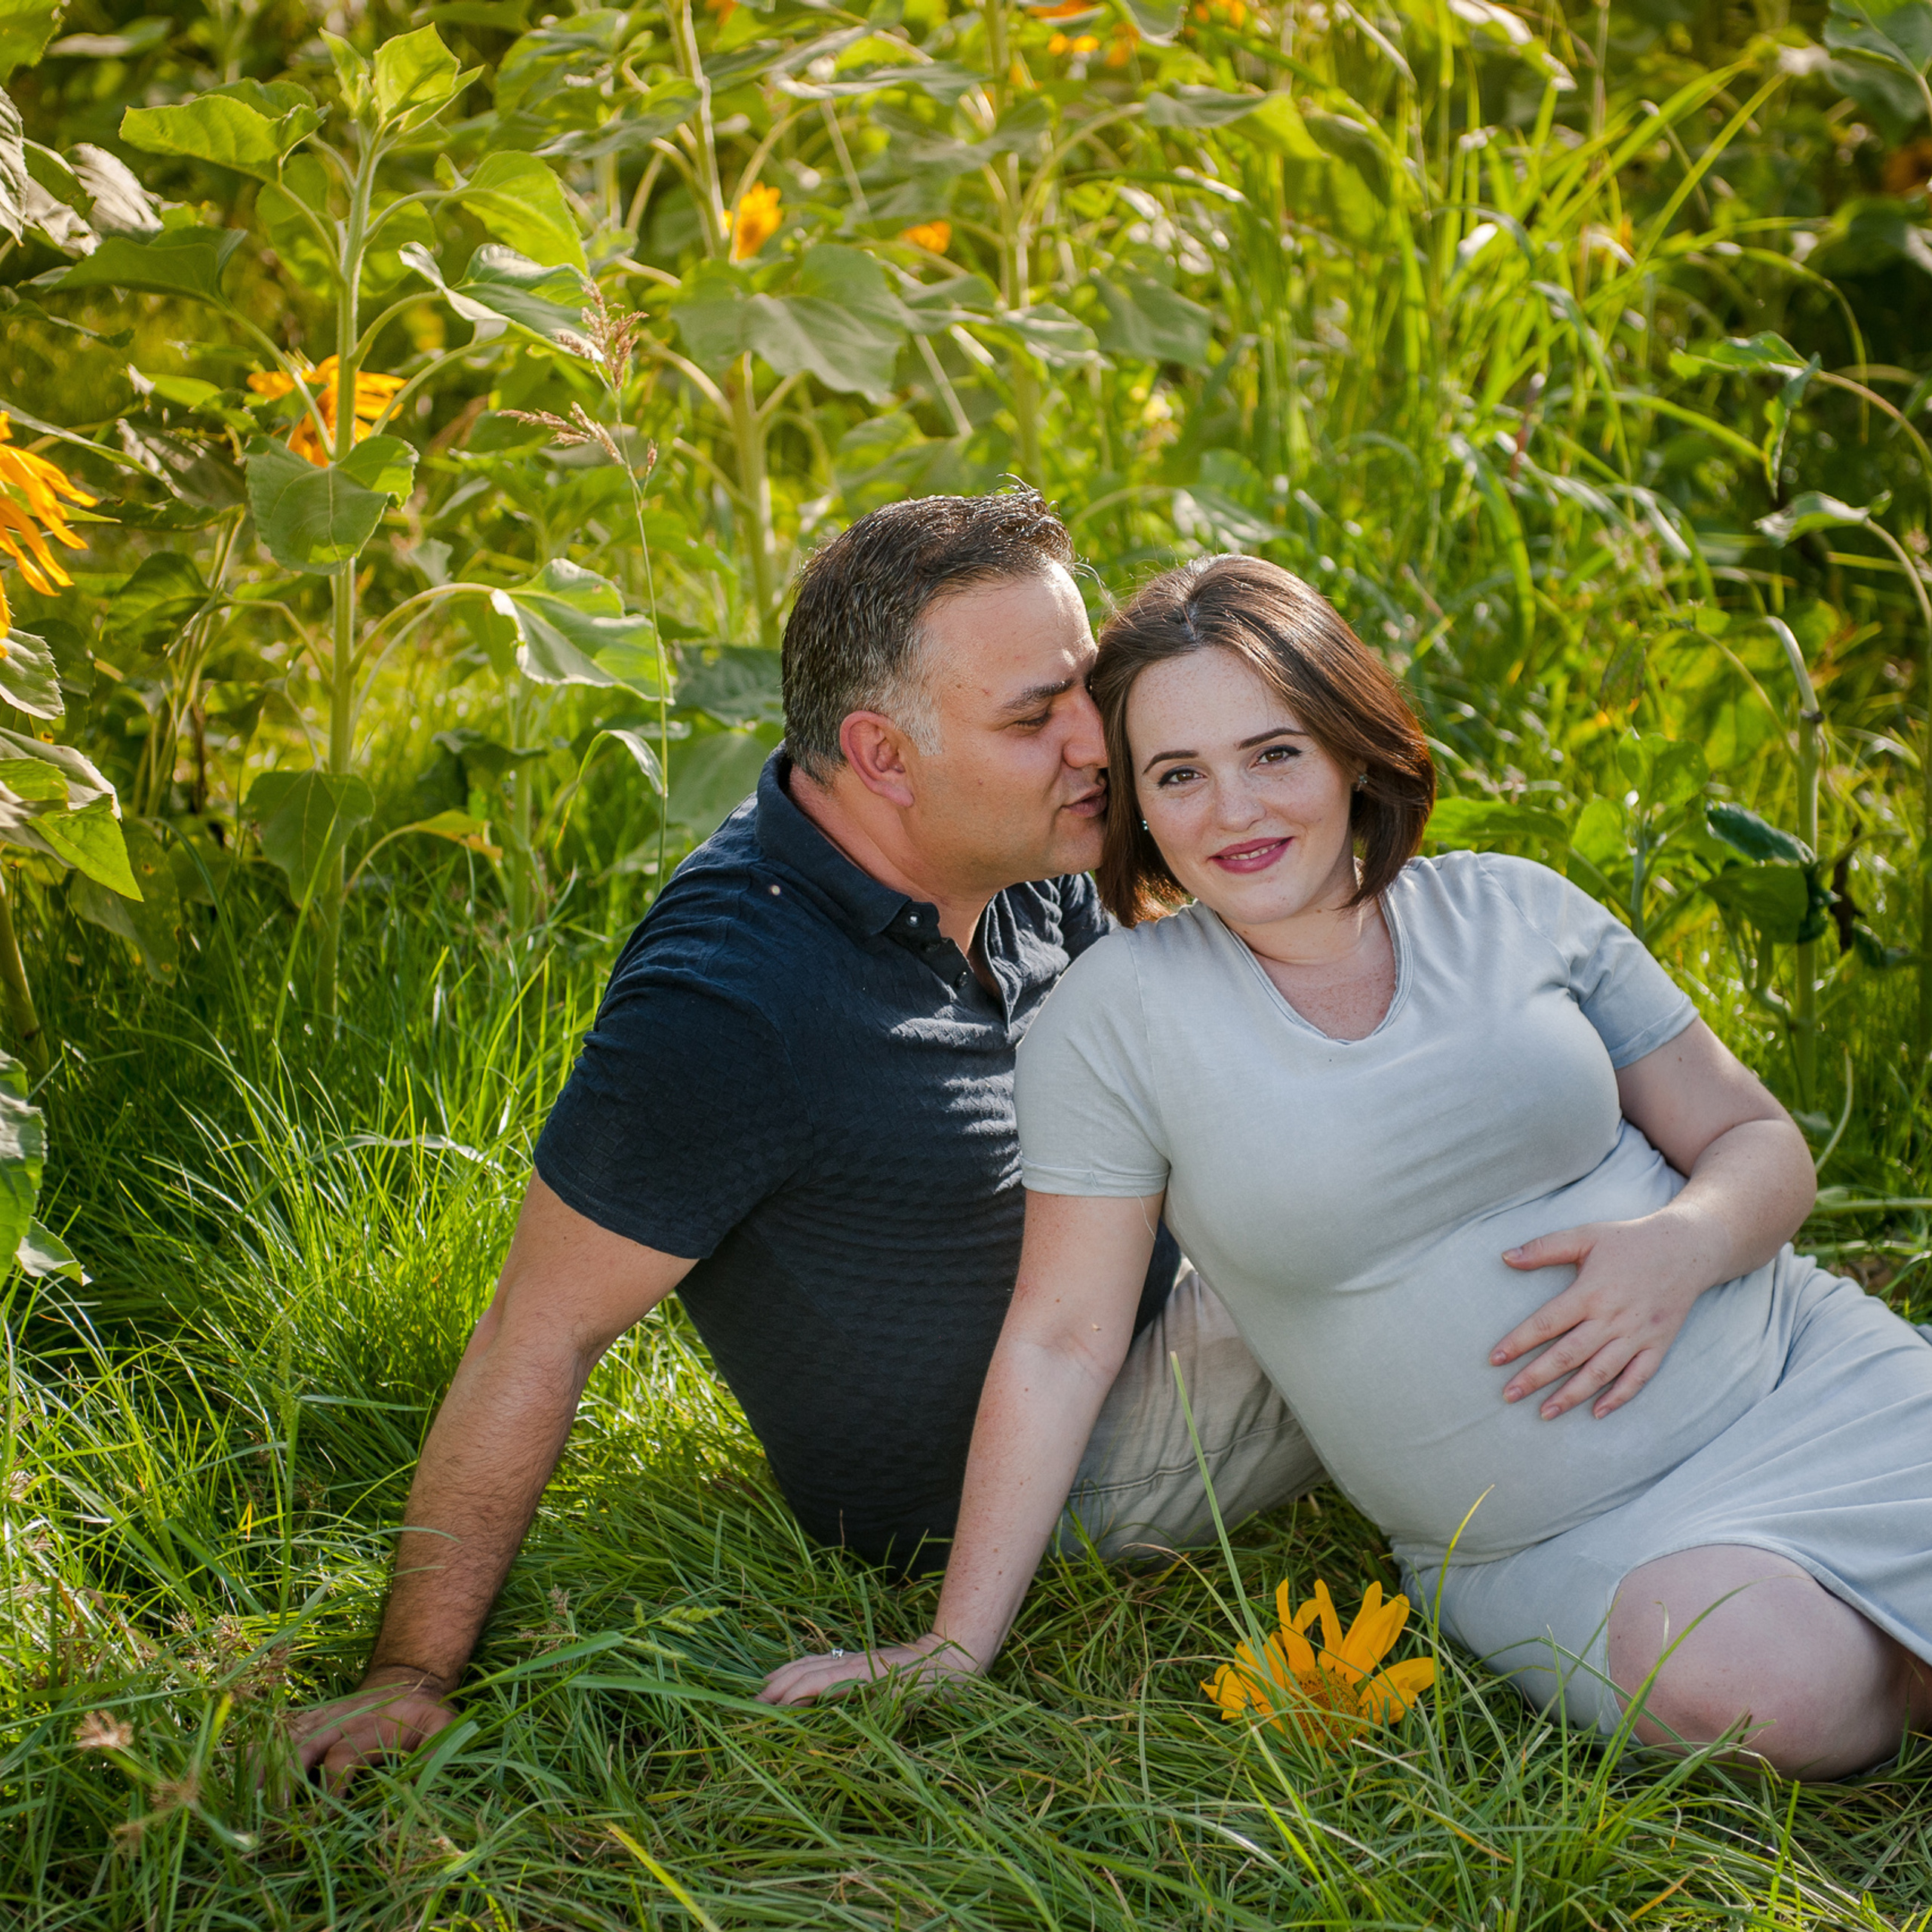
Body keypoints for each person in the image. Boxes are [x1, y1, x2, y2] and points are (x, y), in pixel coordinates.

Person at [761, 554, 1932, 1782]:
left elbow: (1759, 1143)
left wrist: (1684, 1246)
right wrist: (953, 1643)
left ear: (1349, 750)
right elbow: (1061, 1339)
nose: (1235, 811)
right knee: (1758, 1691)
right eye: (1178, 774)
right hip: (1566, 1538)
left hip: (1798, 1381)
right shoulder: (1119, 1019)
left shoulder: (1516, 910)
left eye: (1274, 753)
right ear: (1137, 805)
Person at [287, 494, 1333, 1786]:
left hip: (1150, 1295)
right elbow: (536, 1333)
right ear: (882, 757)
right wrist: (408, 1675)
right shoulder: (735, 1005)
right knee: (1431, 1250)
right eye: (1033, 717)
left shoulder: (1018, 843)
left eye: (1086, 685)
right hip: (1049, 1473)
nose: (1096, 742)